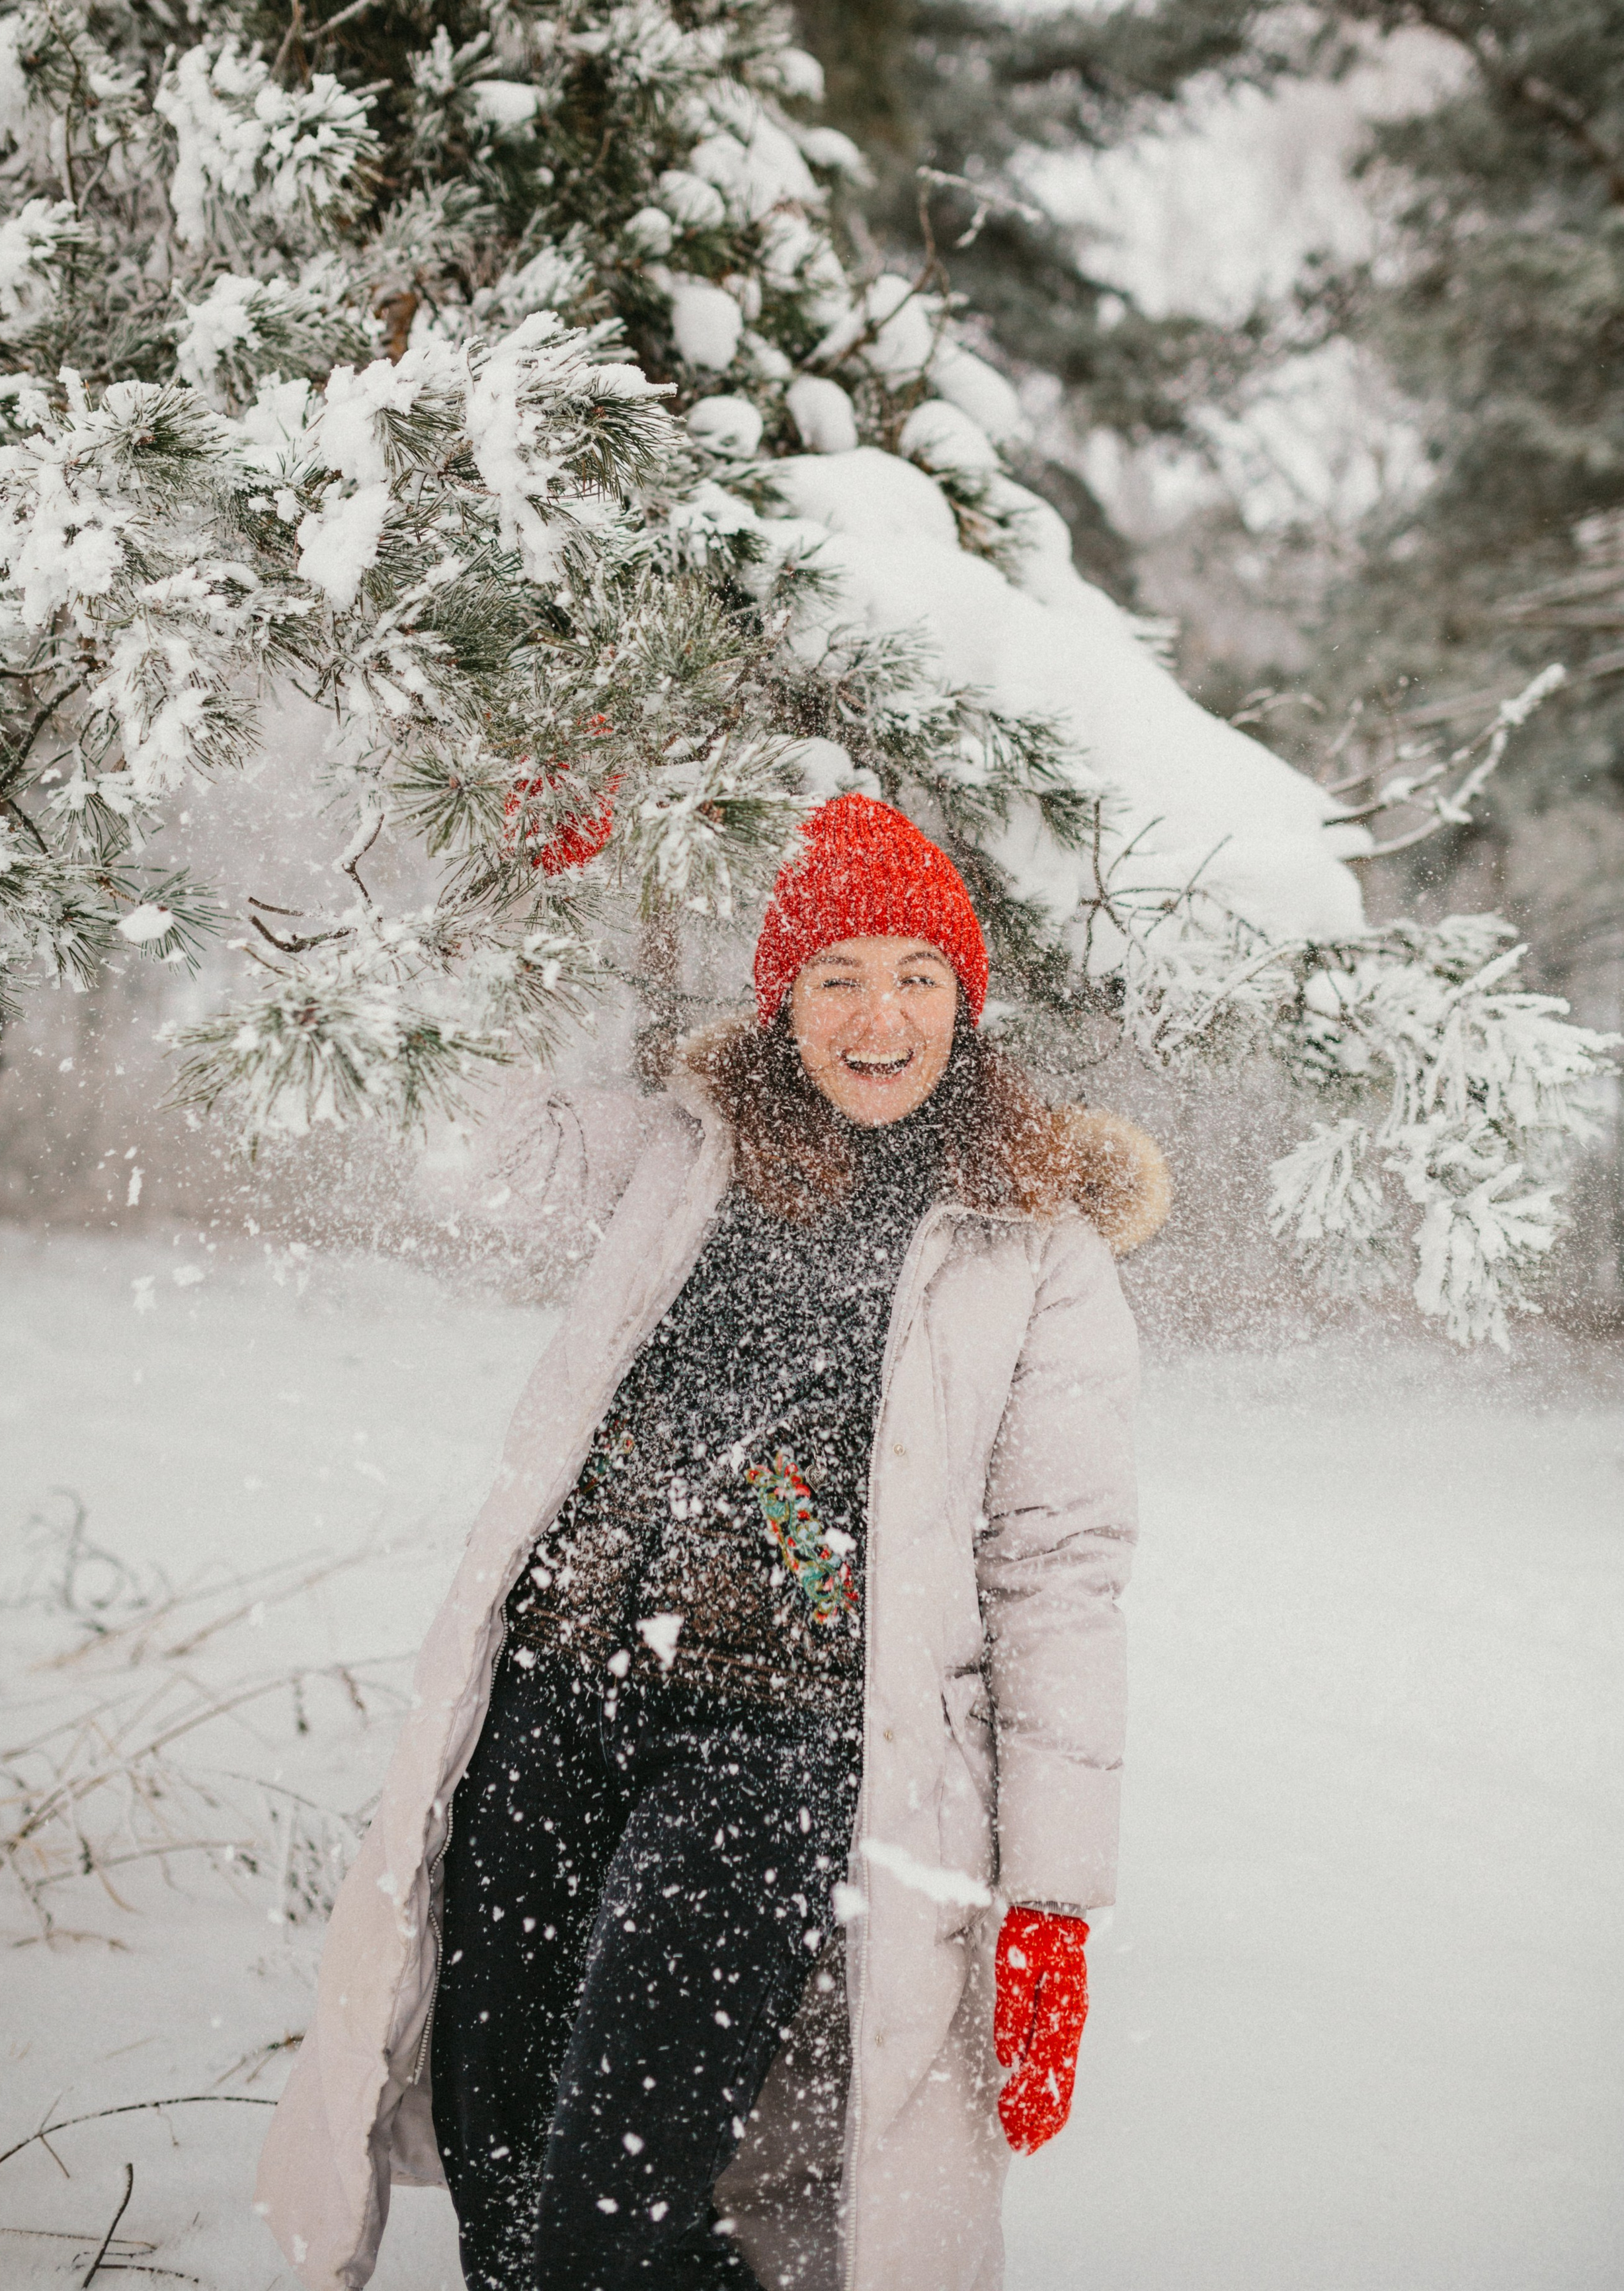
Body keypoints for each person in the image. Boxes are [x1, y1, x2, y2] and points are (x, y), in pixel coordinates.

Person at [257, 794, 1170, 2291]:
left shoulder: (1031, 1241)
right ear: (781, 1001)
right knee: (502, 2164)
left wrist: (1052, 1903)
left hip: (782, 1741)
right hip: (554, 1697)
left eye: (919, 978)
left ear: (967, 1002)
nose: (881, 1017)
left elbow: (1058, 1571)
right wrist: (523, 897)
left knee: (604, 2202)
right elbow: (464, 1117)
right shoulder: (677, 1154)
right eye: (837, 978)